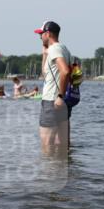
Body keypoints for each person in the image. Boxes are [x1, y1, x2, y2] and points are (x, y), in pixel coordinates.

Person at [35, 21, 71, 157]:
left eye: (41, 34)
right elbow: (46, 74)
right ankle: (59, 174)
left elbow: (65, 71)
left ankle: (48, 175)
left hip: (52, 101)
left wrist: (59, 96)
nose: (40, 37)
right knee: (61, 144)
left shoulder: (55, 49)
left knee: (47, 145)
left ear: (48, 34)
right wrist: (44, 53)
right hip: (60, 102)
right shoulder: (62, 48)